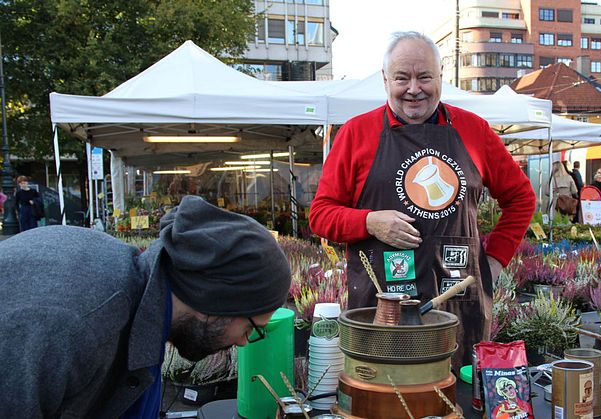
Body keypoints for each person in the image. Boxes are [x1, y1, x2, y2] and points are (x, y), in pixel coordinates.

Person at [309, 31, 535, 370]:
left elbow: (521, 198)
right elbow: (321, 215)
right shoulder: (356, 133)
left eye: (424, 77)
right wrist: (369, 222)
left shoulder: (475, 131)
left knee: (456, 393)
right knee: (386, 393)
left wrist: (496, 260)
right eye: (402, 78)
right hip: (382, 303)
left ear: (440, 76)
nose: (414, 88)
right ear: (386, 79)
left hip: (457, 301)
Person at [0, 195, 291, 418]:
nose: (243, 343)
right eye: (251, 329)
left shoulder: (138, 295)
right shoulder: (81, 322)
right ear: (214, 301)